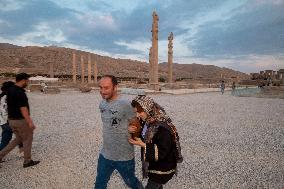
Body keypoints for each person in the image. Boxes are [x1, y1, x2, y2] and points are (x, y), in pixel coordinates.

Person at [94, 75, 143, 189]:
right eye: (100, 88)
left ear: (115, 87)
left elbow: (136, 123)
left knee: (131, 182)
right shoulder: (102, 104)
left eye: (106, 88)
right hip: (105, 154)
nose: (102, 91)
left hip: (124, 156)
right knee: (100, 183)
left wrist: (133, 130)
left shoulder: (125, 104)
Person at [128, 95, 182, 189]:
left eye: (140, 111)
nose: (137, 115)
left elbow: (162, 151)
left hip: (163, 168)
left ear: (148, 108)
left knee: (153, 185)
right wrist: (133, 131)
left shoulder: (162, 127)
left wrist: (142, 144)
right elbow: (144, 135)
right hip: (154, 165)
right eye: (136, 112)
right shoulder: (148, 120)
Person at [0, 73, 40, 168]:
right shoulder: (20, 92)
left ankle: (0, 155)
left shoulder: (10, 90)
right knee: (27, 139)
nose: (28, 82)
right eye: (27, 80)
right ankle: (27, 161)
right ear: (23, 80)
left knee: (18, 139)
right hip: (20, 120)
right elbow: (23, 108)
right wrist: (29, 121)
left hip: (11, 120)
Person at [0, 81, 23, 152]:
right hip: (8, 121)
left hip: (3, 121)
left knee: (6, 138)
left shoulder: (2, 97)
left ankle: (22, 149)